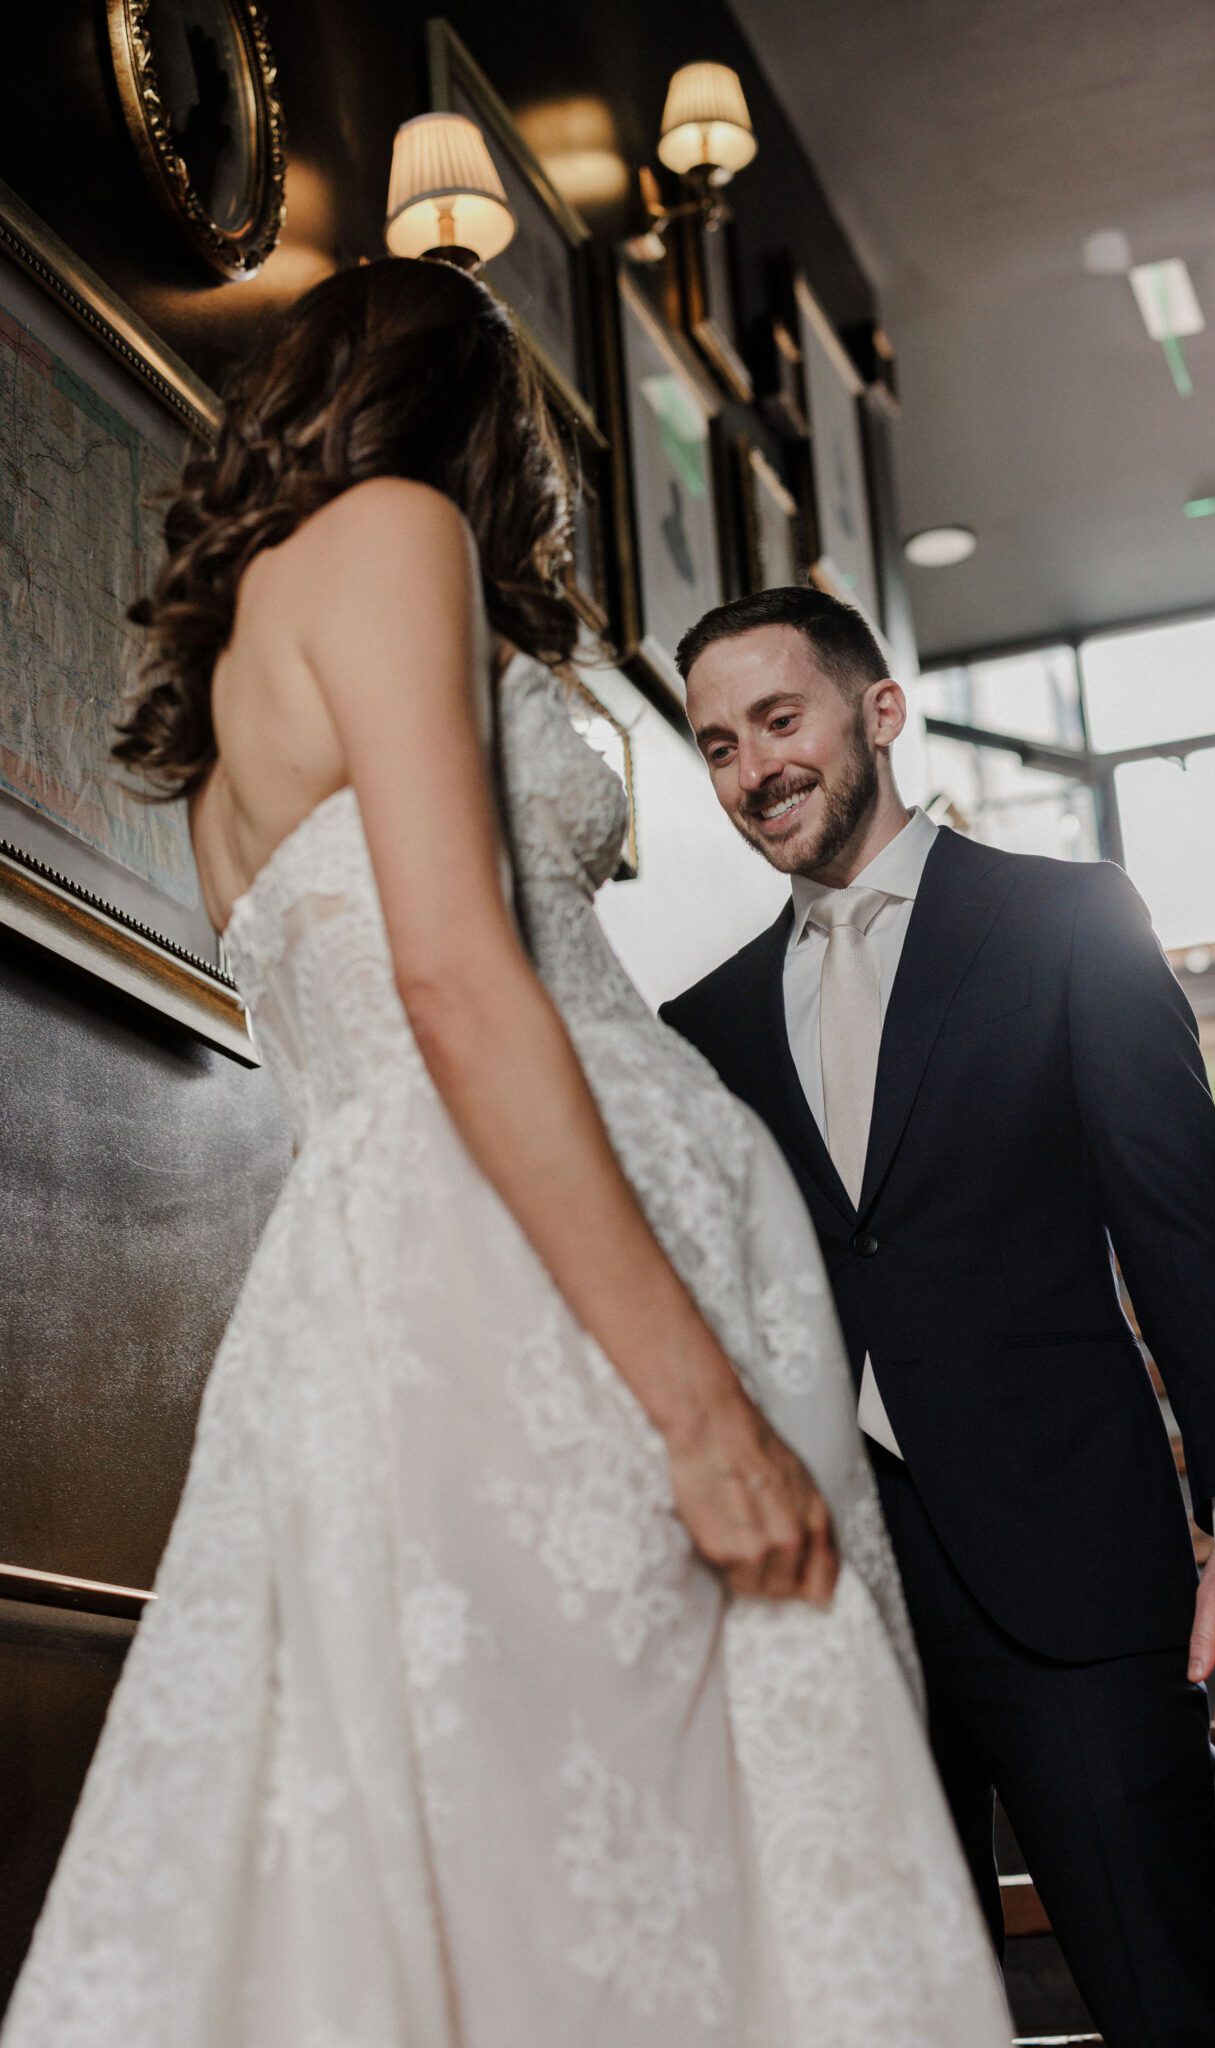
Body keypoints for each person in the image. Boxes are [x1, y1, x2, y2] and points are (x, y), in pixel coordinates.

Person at [0, 264, 1014, 2048]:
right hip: (544, 1317)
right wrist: (702, 1411)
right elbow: (458, 990)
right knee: (630, 1861)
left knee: (513, 1847)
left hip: (403, 1296)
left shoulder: (235, 702)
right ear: (474, 418)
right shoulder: (393, 529)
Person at [660, 585, 1215, 2048]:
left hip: (1070, 1572)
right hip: (832, 1598)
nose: (752, 768)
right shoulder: (695, 1033)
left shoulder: (1066, 922)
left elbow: (1184, 1237)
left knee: (1173, 2007)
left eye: (780, 720)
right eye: (716, 744)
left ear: (876, 710)